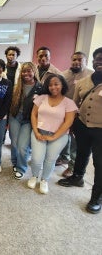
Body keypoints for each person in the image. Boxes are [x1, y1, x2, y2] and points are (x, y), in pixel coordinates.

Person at [58, 47, 102, 214]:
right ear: (93, 61)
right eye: (97, 58)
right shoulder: (84, 82)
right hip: (82, 125)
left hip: (101, 130)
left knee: (100, 164)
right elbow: (74, 105)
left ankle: (96, 198)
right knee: (81, 154)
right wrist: (72, 124)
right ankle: (77, 177)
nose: (100, 61)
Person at [28, 74, 77, 194]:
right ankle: (34, 176)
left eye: (56, 84)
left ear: (62, 85)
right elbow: (33, 115)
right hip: (39, 132)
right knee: (36, 159)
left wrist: (53, 137)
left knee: (50, 159)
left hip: (58, 136)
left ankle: (44, 179)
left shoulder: (69, 103)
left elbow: (68, 122)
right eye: (50, 85)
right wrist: (36, 131)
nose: (53, 87)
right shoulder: (41, 98)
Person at [56, 51, 93, 173]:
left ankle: (72, 167)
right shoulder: (63, 75)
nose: (76, 62)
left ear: (85, 61)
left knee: (76, 141)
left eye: (80, 60)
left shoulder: (91, 75)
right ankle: (63, 157)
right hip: (64, 111)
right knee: (64, 135)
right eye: (74, 60)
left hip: (80, 113)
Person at [9, 62, 42, 180]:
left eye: (29, 71)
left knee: (23, 146)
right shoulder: (17, 86)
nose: (26, 74)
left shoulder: (41, 88)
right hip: (15, 116)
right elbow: (12, 103)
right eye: (24, 71)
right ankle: (14, 161)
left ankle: (21, 167)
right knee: (14, 142)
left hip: (29, 120)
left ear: (34, 72)